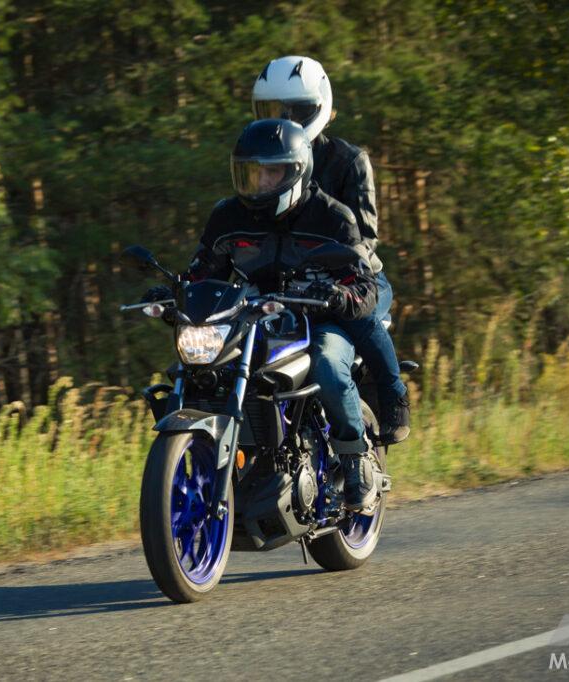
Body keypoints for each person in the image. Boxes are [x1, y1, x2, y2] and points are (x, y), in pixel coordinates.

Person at [148, 118, 381, 510]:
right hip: (253, 315)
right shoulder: (228, 216)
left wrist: (342, 296)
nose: (259, 183)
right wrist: (178, 293)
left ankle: (354, 458)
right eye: (251, 173)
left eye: (270, 172)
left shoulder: (333, 217)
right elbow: (204, 269)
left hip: (317, 317)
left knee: (327, 363)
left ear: (296, 171)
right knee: (202, 369)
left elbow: (366, 284)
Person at [251, 55, 410, 444]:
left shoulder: (348, 161)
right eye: (274, 110)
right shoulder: (264, 163)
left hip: (355, 279)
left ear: (320, 108)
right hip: (289, 285)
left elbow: (366, 239)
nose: (285, 118)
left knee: (358, 317)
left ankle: (393, 395)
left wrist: (325, 269)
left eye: (297, 109)